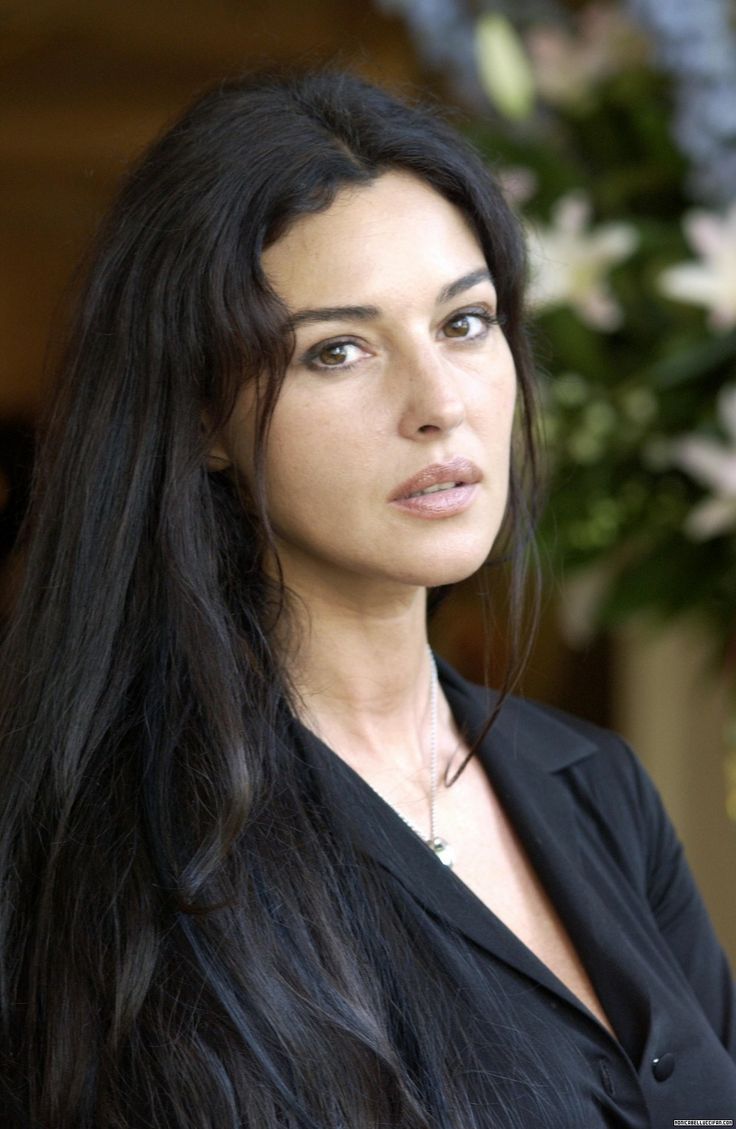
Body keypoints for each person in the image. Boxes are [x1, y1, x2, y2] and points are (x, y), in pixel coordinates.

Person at [0, 68, 733, 1129]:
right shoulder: (136, 853)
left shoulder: (594, 789)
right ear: (201, 415)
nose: (438, 405)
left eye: (466, 323)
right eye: (338, 350)